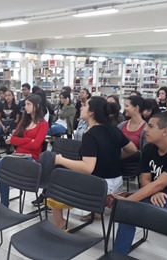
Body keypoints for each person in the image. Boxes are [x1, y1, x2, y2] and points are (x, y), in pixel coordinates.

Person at [44, 96, 137, 229]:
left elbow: (87, 168)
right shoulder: (113, 129)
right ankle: (96, 212)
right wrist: (112, 156)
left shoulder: (90, 135)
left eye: (85, 105)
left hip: (100, 186)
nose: (81, 107)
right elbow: (132, 149)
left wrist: (61, 160)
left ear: (92, 112)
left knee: (55, 186)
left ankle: (60, 224)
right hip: (117, 183)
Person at [112, 113, 167, 254]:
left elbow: (159, 184)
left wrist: (128, 201)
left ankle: (135, 205)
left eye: (151, 126)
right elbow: (144, 179)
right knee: (129, 211)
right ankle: (118, 254)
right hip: (154, 194)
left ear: (165, 131)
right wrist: (154, 193)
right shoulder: (148, 149)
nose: (145, 129)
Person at [0, 94, 48, 206]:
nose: (25, 107)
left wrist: (20, 141)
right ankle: (3, 203)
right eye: (25, 104)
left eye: (28, 104)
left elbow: (36, 145)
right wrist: (28, 140)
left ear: (36, 106)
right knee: (3, 168)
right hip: (18, 155)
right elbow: (14, 139)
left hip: (32, 160)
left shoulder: (43, 124)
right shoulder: (24, 121)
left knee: (2, 163)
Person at [0, 89, 20, 162]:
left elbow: (17, 119)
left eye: (9, 95)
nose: (7, 97)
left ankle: (11, 150)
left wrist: (10, 126)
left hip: (12, 123)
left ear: (13, 96)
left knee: (12, 134)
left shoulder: (16, 107)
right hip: (2, 123)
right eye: (6, 95)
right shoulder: (1, 106)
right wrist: (3, 126)